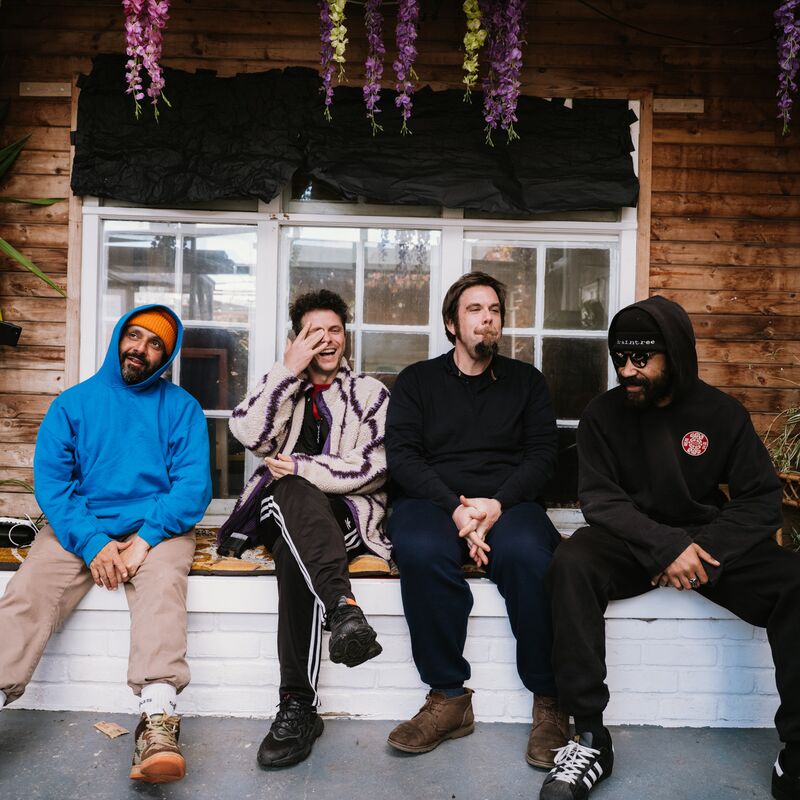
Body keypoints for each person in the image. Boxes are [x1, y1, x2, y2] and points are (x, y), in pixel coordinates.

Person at [541, 296, 799, 800]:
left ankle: (798, 747)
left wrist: (693, 550)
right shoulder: (601, 415)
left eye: (642, 359)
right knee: (571, 563)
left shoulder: (720, 413)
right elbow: (600, 500)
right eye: (620, 358)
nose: (627, 370)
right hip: (628, 541)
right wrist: (663, 548)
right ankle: (590, 737)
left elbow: (762, 500)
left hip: (705, 546)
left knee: (796, 583)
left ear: (674, 355)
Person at [0, 305, 211, 785]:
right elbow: (53, 486)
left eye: (155, 343)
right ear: (119, 337)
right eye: (134, 336)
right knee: (29, 590)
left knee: (163, 589)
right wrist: (94, 542)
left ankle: (157, 722)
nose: (141, 348)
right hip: (80, 525)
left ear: (167, 355)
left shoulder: (181, 409)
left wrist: (145, 541)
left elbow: (192, 488)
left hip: (158, 527)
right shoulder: (72, 405)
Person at [384, 272, 568, 767]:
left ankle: (550, 702)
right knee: (420, 550)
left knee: (531, 555)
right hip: (433, 502)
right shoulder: (417, 381)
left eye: (494, 310)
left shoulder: (527, 382)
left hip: (508, 503)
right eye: (474, 310)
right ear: (451, 323)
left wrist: (494, 506)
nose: (487, 318)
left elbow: (543, 456)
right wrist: (458, 508)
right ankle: (448, 698)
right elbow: (402, 458)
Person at [217, 289, 390, 769]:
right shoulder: (282, 389)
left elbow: (372, 470)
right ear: (298, 341)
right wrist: (286, 371)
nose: (327, 340)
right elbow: (248, 434)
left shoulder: (370, 394)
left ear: (346, 338)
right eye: (315, 332)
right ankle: (342, 608)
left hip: (348, 521)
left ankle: (297, 704)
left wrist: (299, 466)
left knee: (296, 532)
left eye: (334, 330)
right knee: (290, 497)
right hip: (279, 513)